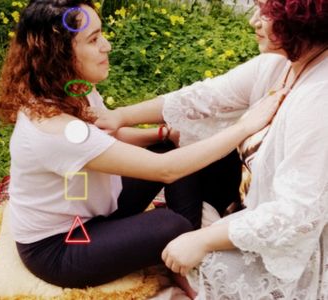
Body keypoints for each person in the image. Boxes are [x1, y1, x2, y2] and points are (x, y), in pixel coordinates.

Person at [0, 0, 279, 289]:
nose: (106, 46)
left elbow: (105, 137)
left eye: (101, 33)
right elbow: (164, 170)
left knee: (184, 149)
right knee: (170, 224)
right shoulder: (56, 129)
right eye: (93, 40)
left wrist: (164, 135)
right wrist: (246, 125)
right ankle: (182, 246)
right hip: (63, 244)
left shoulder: (71, 89)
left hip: (91, 204)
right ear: (58, 53)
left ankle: (185, 241)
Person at [96, 0, 328, 298]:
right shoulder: (281, 63)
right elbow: (205, 98)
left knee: (184, 255)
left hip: (286, 239)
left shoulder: (319, 99)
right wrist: (121, 116)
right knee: (183, 154)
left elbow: (297, 213)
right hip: (244, 199)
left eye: (266, 13)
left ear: (301, 20)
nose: (253, 21)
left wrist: (203, 241)